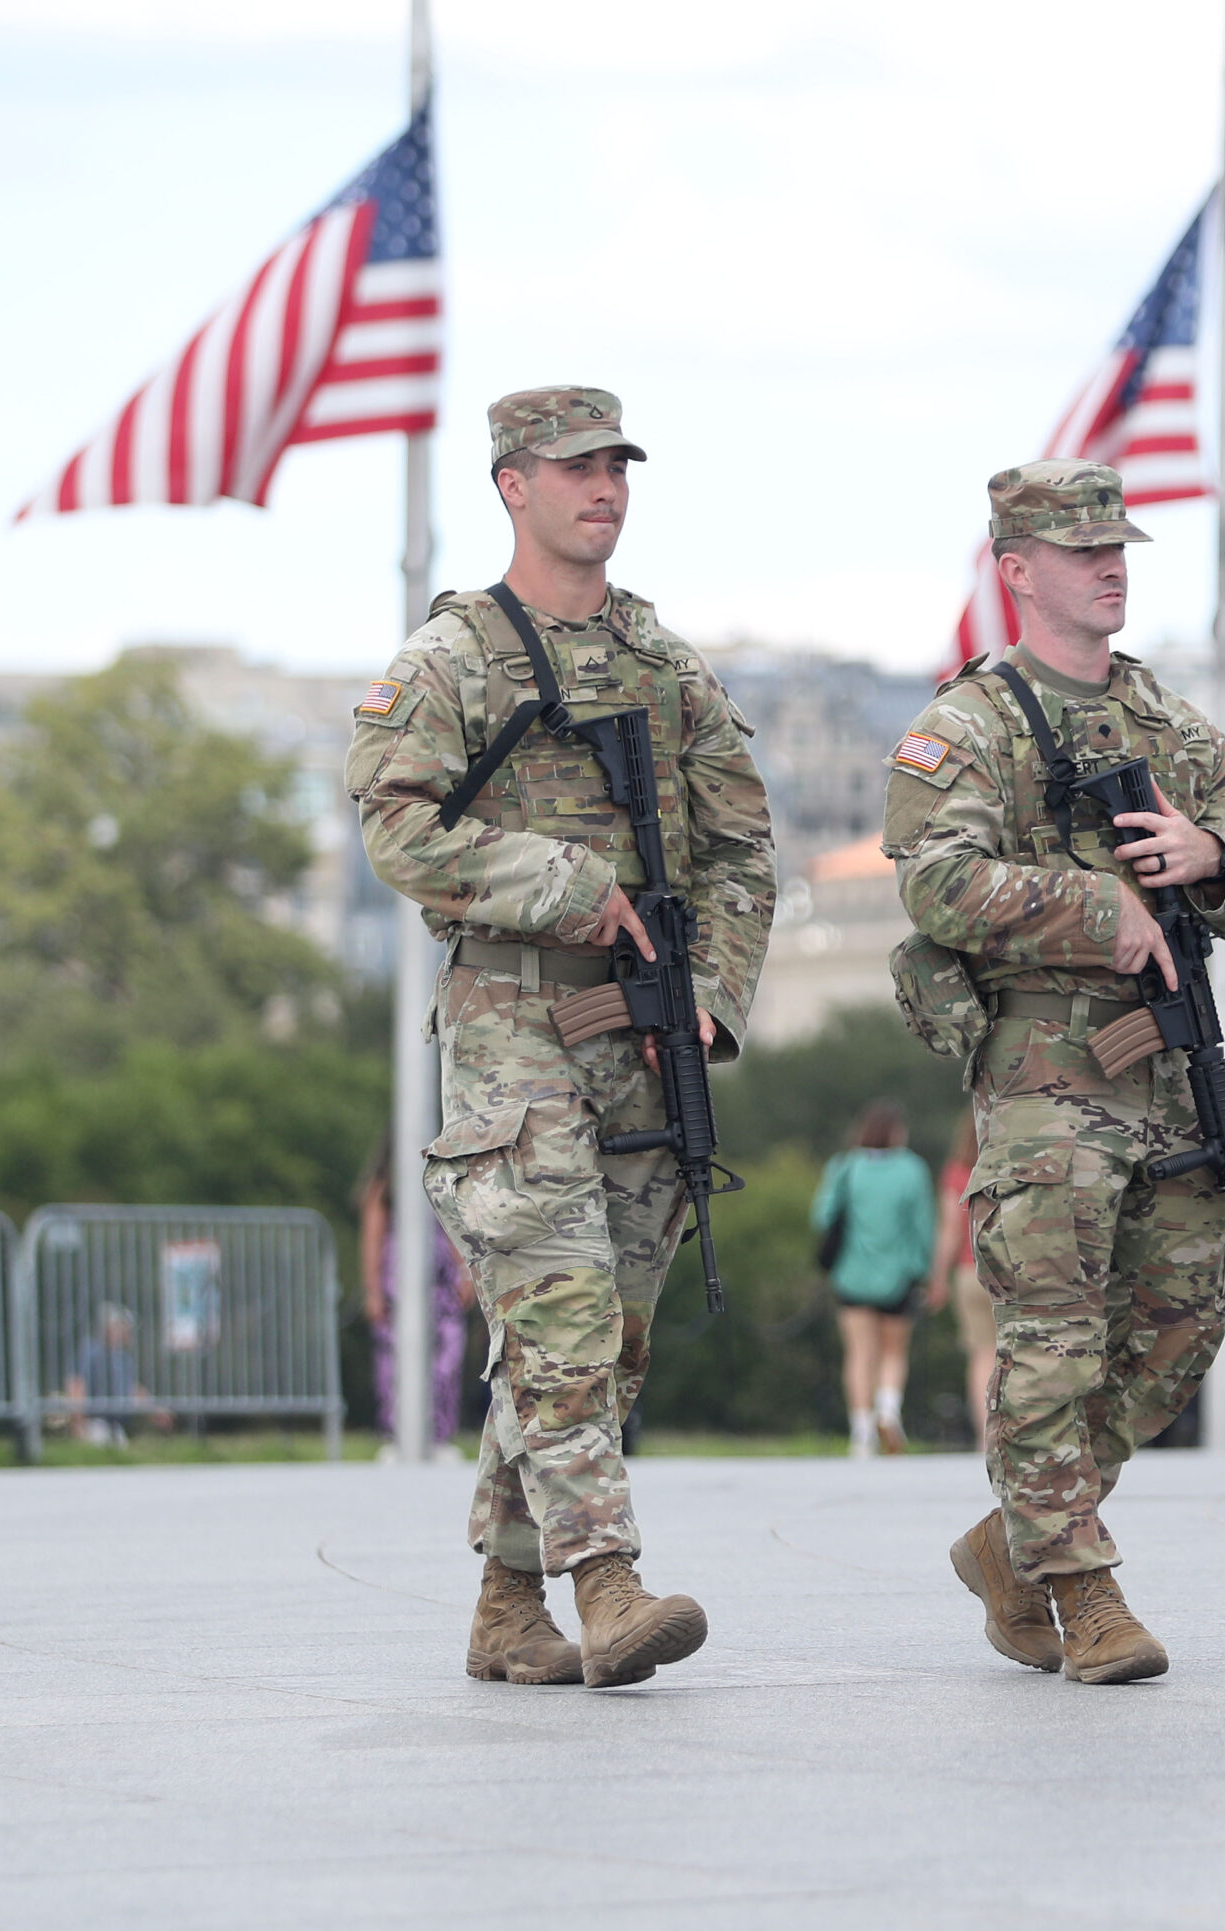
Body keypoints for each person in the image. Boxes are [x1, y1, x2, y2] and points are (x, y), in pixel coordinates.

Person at [347, 387, 776, 1690]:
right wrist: (559, 879)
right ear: (511, 484)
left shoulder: (664, 664)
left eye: (616, 466)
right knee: (565, 1306)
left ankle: (504, 1600)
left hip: (643, 1027)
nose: (604, 487)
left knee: (605, 1332)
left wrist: (714, 993)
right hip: (513, 1018)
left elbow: (742, 843)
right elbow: (395, 827)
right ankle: (606, 1582)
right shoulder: (454, 656)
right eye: (576, 466)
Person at [884, 458, 1225, 1685]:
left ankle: (1013, 1544)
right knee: (1051, 1332)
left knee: (1182, 1323)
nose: (1110, 566)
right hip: (1046, 1069)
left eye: (1117, 548)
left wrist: (1210, 855)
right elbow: (934, 881)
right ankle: (1082, 1586)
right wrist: (1093, 906)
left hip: (1170, 1061)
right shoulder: (971, 723)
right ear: (1016, 570)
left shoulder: (1168, 722)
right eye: (1080, 550)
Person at [813, 1100, 938, 1458]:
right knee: (893, 1351)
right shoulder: (912, 1169)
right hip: (898, 1274)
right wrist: (926, 1271)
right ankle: (888, 1409)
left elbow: (822, 1216)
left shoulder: (844, 1166)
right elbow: (923, 1226)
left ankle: (861, 1430)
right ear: (897, 1132)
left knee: (858, 1352)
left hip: (851, 1275)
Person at [355, 1131, 472, 1461]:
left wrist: (465, 1271)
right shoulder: (384, 1188)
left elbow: (453, 1226)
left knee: (446, 1359)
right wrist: (373, 1291)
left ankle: (439, 1435)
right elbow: (372, 1239)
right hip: (397, 1287)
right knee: (393, 1362)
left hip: (441, 1286)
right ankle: (397, 1434)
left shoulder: (442, 1180)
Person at [927, 1110, 999, 1452]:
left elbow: (950, 1232)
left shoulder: (956, 1173)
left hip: (969, 1272)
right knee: (1014, 1355)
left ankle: (985, 1433)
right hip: (1006, 1269)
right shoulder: (1006, 1168)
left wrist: (937, 1279)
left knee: (981, 1354)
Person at [62, 1304, 167, 1447]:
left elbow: (133, 1390)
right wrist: (79, 1425)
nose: (129, 1333)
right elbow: (77, 1387)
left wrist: (155, 1410)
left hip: (116, 1427)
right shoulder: (90, 1353)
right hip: (95, 1425)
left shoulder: (122, 1358)